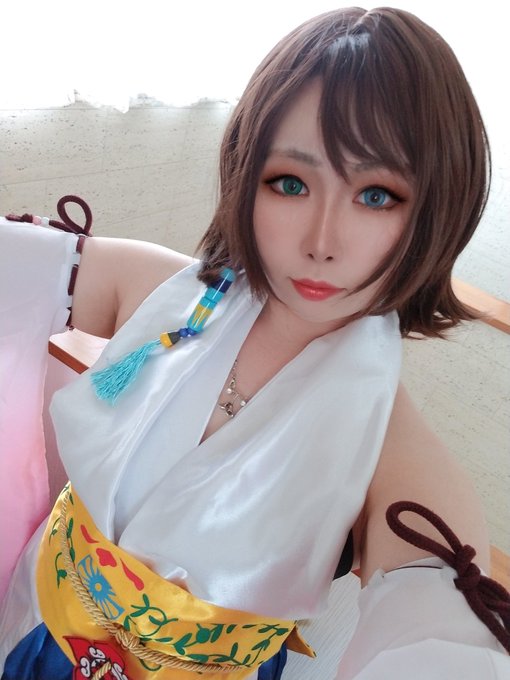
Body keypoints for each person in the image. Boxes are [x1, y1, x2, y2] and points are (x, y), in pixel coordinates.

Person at [0, 6, 508, 679]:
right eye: (291, 183)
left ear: (438, 208)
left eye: (377, 195)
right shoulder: (167, 294)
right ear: (247, 175)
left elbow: (435, 621)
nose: (322, 242)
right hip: (40, 615)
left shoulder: (384, 439)